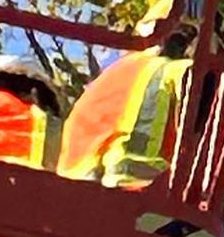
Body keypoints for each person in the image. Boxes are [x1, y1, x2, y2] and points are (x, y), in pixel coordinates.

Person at [59, 14, 196, 188]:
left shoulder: (111, 75)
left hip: (73, 181)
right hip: (128, 184)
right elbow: (207, 95)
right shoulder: (174, 70)